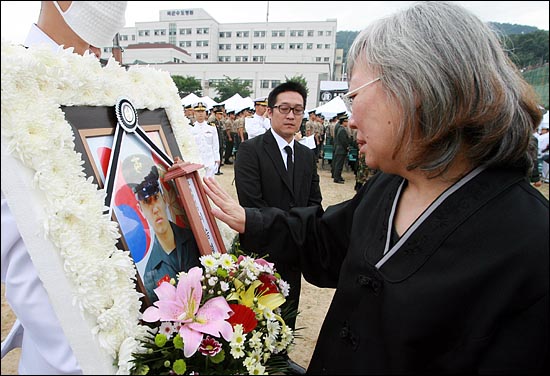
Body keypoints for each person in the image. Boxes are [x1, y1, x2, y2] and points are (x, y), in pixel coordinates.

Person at [202, 2, 549, 374]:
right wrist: (249, 219)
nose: (350, 121)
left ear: (415, 88)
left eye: (354, 97)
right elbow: (323, 240)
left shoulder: (531, 247)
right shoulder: (391, 185)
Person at [1, 2, 127, 374]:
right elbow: (18, 255)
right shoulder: (11, 81)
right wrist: (89, 360)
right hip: (67, 353)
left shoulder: (111, 85)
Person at [234, 81, 322, 333]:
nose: (291, 115)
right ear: (270, 111)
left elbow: (314, 204)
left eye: (298, 110)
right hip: (262, 253)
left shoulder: (306, 156)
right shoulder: (250, 151)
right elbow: (252, 204)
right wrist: (296, 227)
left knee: (287, 318)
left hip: (295, 254)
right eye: (284, 108)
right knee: (257, 322)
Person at [123, 158, 202, 303]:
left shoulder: (195, 236)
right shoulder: (150, 274)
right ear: (141, 210)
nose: (155, 209)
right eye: (147, 203)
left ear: (164, 199)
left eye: (156, 198)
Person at [190, 102, 221, 177]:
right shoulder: (190, 128)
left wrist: (217, 159)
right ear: (194, 113)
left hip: (209, 160)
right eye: (198, 111)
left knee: (210, 183)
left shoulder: (211, 127)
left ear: (205, 113)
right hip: (196, 161)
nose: (200, 114)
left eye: (202, 111)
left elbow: (215, 145)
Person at [331, 114, 351, 183]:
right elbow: (343, 141)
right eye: (346, 121)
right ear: (343, 122)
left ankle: (338, 176)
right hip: (341, 149)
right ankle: (337, 178)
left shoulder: (341, 129)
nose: (347, 123)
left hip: (339, 149)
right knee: (339, 164)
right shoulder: (342, 130)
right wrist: (347, 147)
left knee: (339, 164)